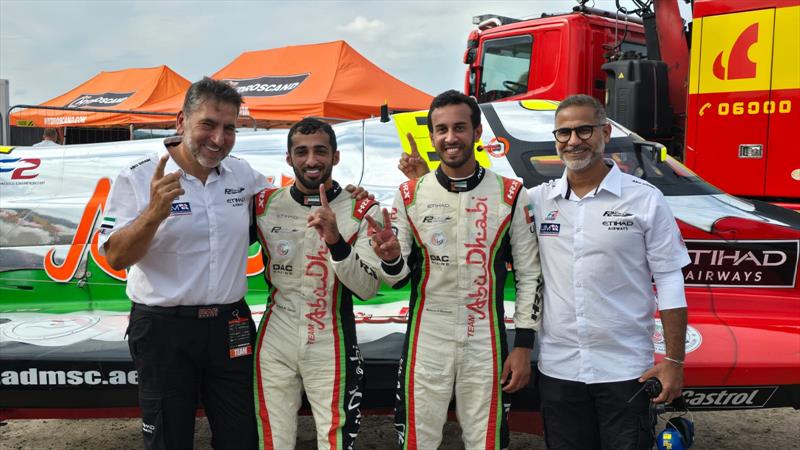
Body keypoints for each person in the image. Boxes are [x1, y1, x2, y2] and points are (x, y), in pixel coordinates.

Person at [98, 77, 267, 450]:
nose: (218, 138)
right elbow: (114, 256)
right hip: (164, 329)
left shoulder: (243, 174)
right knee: (168, 440)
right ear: (180, 122)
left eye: (229, 128)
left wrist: (345, 195)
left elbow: (287, 210)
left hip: (230, 325)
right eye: (207, 124)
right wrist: (154, 214)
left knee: (242, 438)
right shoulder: (139, 175)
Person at [371, 90, 543, 449]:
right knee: (419, 440)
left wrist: (524, 345)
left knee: (487, 441)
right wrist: (388, 257)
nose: (451, 138)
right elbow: (397, 275)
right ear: (432, 136)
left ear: (477, 132)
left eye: (460, 128)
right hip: (427, 336)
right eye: (442, 129)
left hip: (486, 337)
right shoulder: (409, 194)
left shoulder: (511, 193)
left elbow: (529, 274)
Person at [529, 94, 690, 450]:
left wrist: (674, 361)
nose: (573, 141)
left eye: (584, 130)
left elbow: (669, 279)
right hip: (559, 369)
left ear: (604, 132)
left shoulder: (645, 199)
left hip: (626, 370)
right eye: (564, 133)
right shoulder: (538, 201)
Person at [252, 118, 383, 450]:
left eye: (320, 151)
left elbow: (368, 289)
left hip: (331, 339)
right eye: (302, 152)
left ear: (336, 157)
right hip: (275, 338)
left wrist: (337, 241)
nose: (311, 161)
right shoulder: (264, 205)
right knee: (273, 440)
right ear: (288, 158)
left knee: (333, 441)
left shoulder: (362, 208)